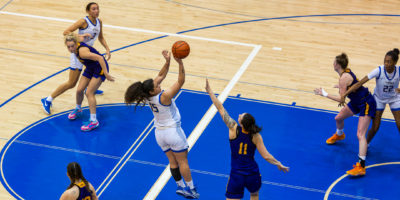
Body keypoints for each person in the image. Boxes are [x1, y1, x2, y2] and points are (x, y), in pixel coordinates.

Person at [124, 50, 199, 199]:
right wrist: (180, 63)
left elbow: (160, 76)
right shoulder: (164, 96)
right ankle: (191, 189)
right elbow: (181, 81)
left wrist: (167, 62)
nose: (159, 84)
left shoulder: (148, 95)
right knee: (183, 161)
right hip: (173, 132)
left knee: (172, 161)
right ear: (153, 90)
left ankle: (180, 186)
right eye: (156, 85)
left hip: (159, 134)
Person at [205, 79, 289, 200]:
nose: (238, 115)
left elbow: (220, 108)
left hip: (236, 175)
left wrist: (210, 92)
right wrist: (278, 163)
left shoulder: (233, 128)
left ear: (242, 123)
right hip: (252, 174)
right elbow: (266, 156)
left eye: (240, 116)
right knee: (254, 195)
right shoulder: (256, 136)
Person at [41, 2, 111, 115]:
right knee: (72, 83)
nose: (96, 11)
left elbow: (101, 37)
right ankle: (48, 99)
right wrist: (80, 37)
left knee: (92, 71)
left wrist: (107, 48)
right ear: (88, 11)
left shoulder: (99, 22)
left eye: (97, 8)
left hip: (87, 52)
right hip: (77, 54)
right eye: (93, 9)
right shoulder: (83, 21)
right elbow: (66, 32)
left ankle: (91, 88)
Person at [314, 53, 376, 176]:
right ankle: (340, 135)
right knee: (338, 118)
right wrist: (341, 86)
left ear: (337, 65)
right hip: (357, 101)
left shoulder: (343, 78)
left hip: (366, 103)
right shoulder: (346, 73)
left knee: (360, 134)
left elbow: (341, 100)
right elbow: (353, 83)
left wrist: (324, 94)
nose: (333, 64)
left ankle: (361, 166)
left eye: (334, 62)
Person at [341, 49, 400, 144]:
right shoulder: (378, 70)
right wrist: (344, 94)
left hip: (394, 98)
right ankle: (366, 143)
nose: (386, 63)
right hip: (379, 99)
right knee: (375, 127)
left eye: (389, 62)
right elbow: (359, 83)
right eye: (385, 61)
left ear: (395, 62)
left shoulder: (398, 70)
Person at [64, 33, 114, 131]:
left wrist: (106, 74)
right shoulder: (76, 40)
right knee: (79, 90)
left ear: (76, 44)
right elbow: (76, 35)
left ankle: (94, 121)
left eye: (72, 46)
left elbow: (100, 58)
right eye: (68, 47)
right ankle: (78, 108)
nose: (71, 49)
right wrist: (86, 34)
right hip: (90, 67)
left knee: (89, 92)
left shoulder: (82, 52)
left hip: (100, 67)